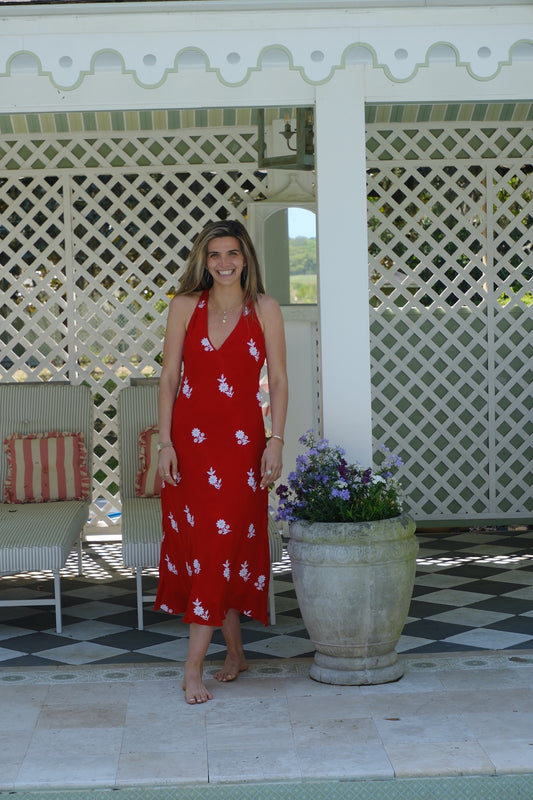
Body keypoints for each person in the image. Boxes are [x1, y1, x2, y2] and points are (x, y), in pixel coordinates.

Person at [154, 218, 288, 705]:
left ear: (247, 257)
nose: (224, 263)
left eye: (233, 253)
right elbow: (168, 378)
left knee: (219, 548)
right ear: (202, 260)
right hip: (190, 447)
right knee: (208, 551)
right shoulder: (184, 307)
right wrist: (165, 443)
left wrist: (275, 439)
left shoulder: (265, 309)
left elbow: (278, 381)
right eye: (215, 255)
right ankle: (235, 653)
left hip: (241, 449)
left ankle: (192, 669)